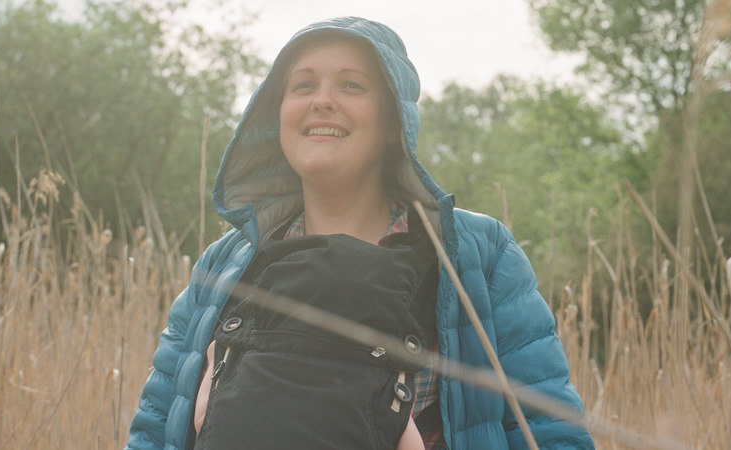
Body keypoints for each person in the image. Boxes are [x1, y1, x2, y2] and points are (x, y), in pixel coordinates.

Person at [125, 16, 595, 450]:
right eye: (303, 84)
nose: (321, 99)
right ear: (277, 115)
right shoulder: (226, 263)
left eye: (352, 85)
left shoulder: (477, 255)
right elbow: (153, 431)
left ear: (395, 123)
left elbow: (553, 436)